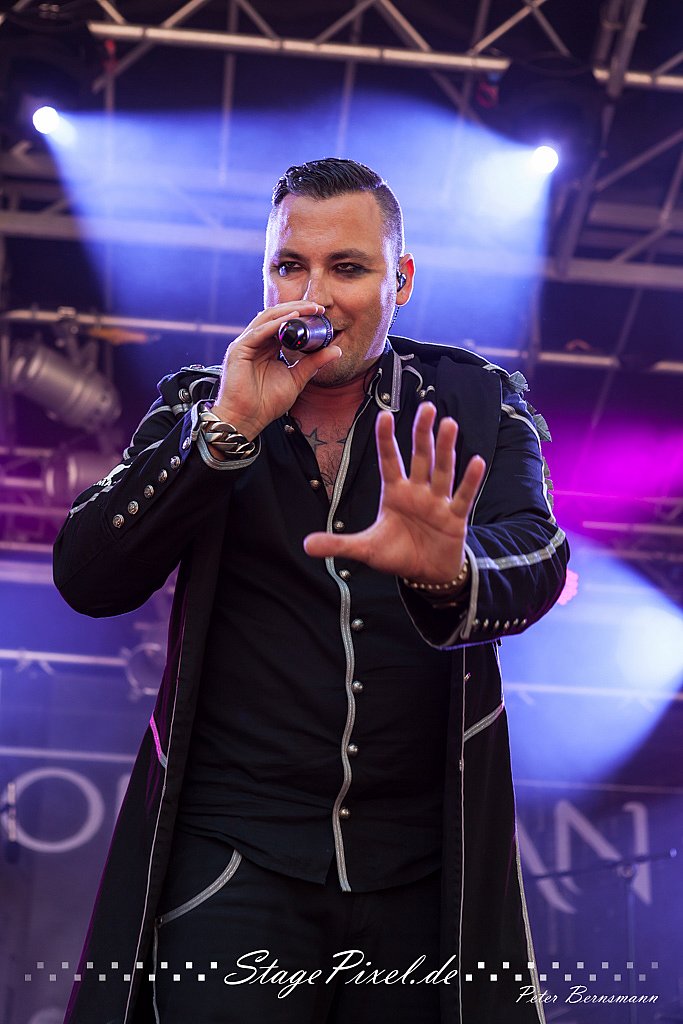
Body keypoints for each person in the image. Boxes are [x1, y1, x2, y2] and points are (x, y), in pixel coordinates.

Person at [53, 157, 569, 1024]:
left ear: (400, 280)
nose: (313, 295)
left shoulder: (474, 399)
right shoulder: (201, 402)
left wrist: (448, 570)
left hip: (419, 869)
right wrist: (225, 435)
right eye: (290, 265)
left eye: (348, 268)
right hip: (233, 852)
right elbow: (87, 576)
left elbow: (539, 557)